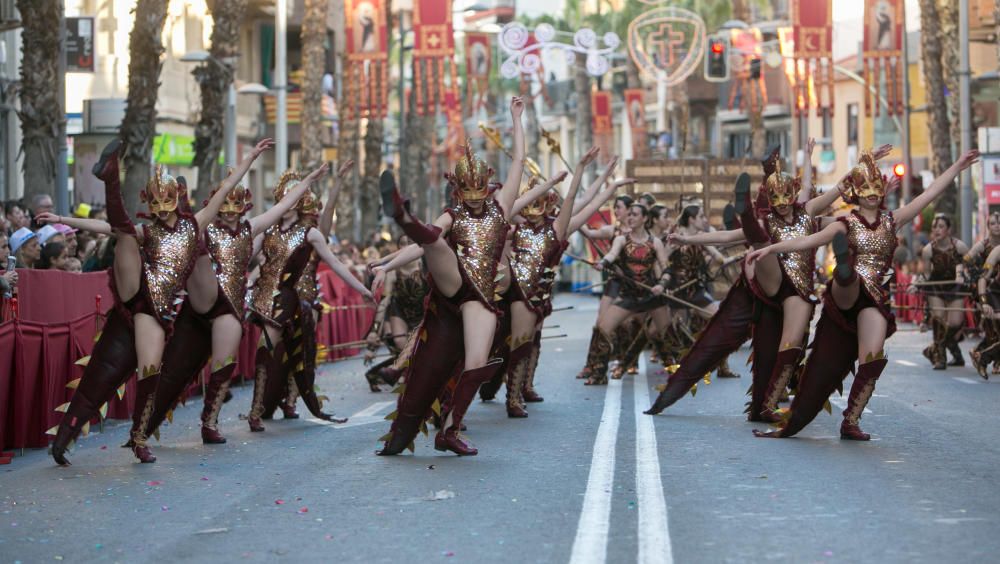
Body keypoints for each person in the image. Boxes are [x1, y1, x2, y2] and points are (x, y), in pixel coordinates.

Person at [373, 96, 564, 456]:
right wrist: (388, 264)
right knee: (435, 242)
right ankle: (401, 216)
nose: (475, 202)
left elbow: (519, 162)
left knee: (477, 364)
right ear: (459, 190)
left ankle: (449, 429)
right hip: (453, 281)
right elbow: (423, 246)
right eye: (468, 196)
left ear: (487, 188)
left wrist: (516, 118)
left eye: (480, 195)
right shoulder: (453, 213)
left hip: (481, 296)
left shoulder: (503, 206)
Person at [747, 149, 979, 440]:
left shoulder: (893, 220)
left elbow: (928, 195)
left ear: (881, 191)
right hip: (847, 293)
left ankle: (851, 421)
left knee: (872, 356)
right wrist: (769, 248)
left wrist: (957, 165)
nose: (870, 193)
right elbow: (805, 240)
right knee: (848, 281)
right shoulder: (845, 222)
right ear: (856, 191)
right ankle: (844, 270)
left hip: (875, 298)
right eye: (864, 187)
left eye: (875, 187)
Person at [46, 137, 248, 464]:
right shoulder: (149, 231)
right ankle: (111, 177)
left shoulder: (194, 226)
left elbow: (225, 190)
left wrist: (249, 158)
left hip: (152, 311)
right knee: (124, 233)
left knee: (147, 374)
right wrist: (64, 219)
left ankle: (136, 438)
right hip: (139, 295)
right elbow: (107, 227)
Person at [245, 163, 374, 433]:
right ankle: (256, 410)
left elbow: (336, 264)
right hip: (269, 300)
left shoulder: (312, 234)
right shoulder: (267, 232)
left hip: (302, 302)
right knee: (264, 353)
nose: (288, 202)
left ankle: (291, 400)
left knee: (301, 353)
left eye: (294, 197)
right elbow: (249, 261)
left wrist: (361, 288)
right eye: (284, 197)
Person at [916, 215, 968, 369]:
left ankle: (934, 349)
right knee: (939, 321)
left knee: (955, 323)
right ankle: (940, 358)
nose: (937, 230)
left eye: (941, 226)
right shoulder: (928, 250)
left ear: (949, 229)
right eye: (934, 227)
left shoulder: (960, 247)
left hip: (955, 287)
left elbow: (969, 266)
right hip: (936, 287)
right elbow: (926, 274)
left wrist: (964, 276)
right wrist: (918, 283)